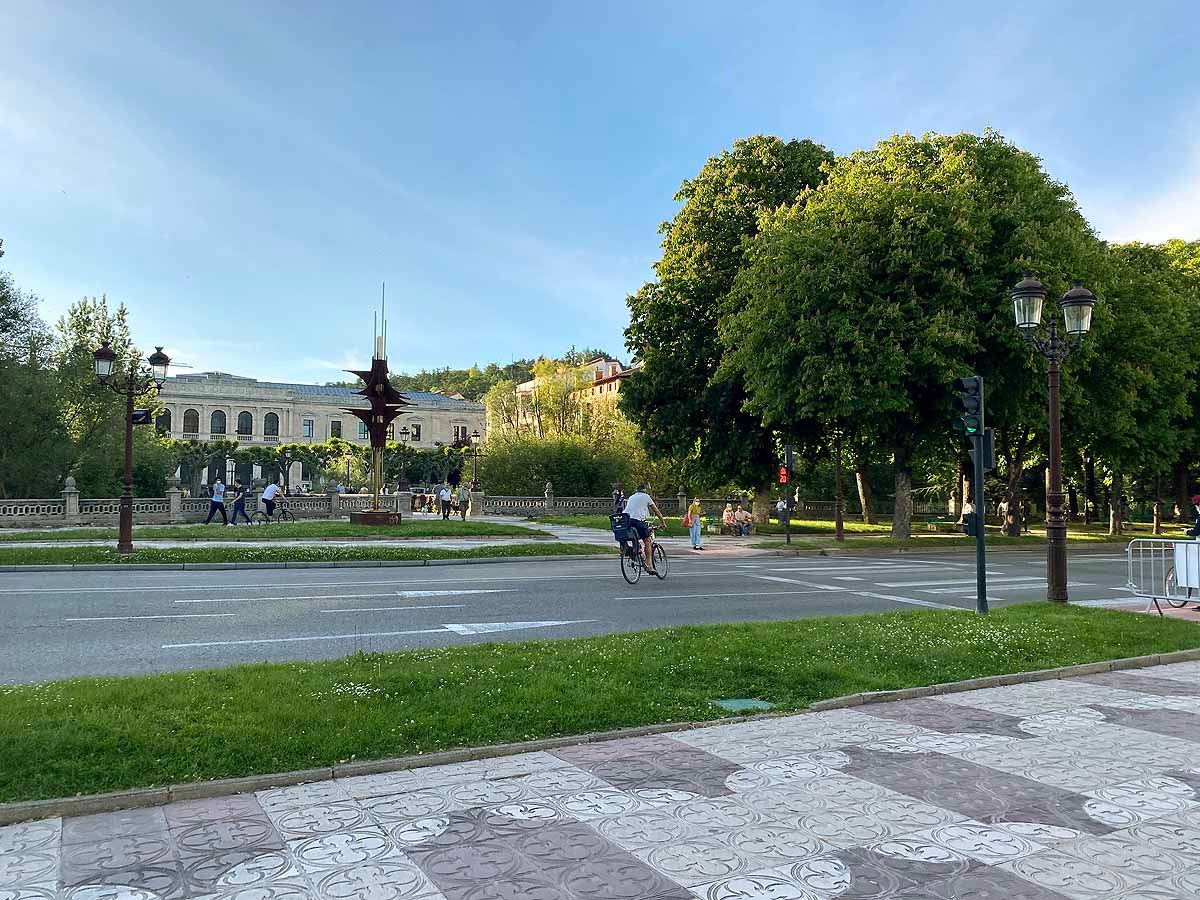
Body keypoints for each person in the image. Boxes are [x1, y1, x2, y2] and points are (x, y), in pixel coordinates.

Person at [624, 483, 666, 574]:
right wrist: (662, 522)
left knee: (636, 536)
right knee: (647, 541)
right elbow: (656, 511)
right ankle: (650, 566)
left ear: (636, 490)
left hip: (626, 520)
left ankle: (635, 550)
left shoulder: (631, 497)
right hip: (638, 520)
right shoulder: (646, 496)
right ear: (645, 490)